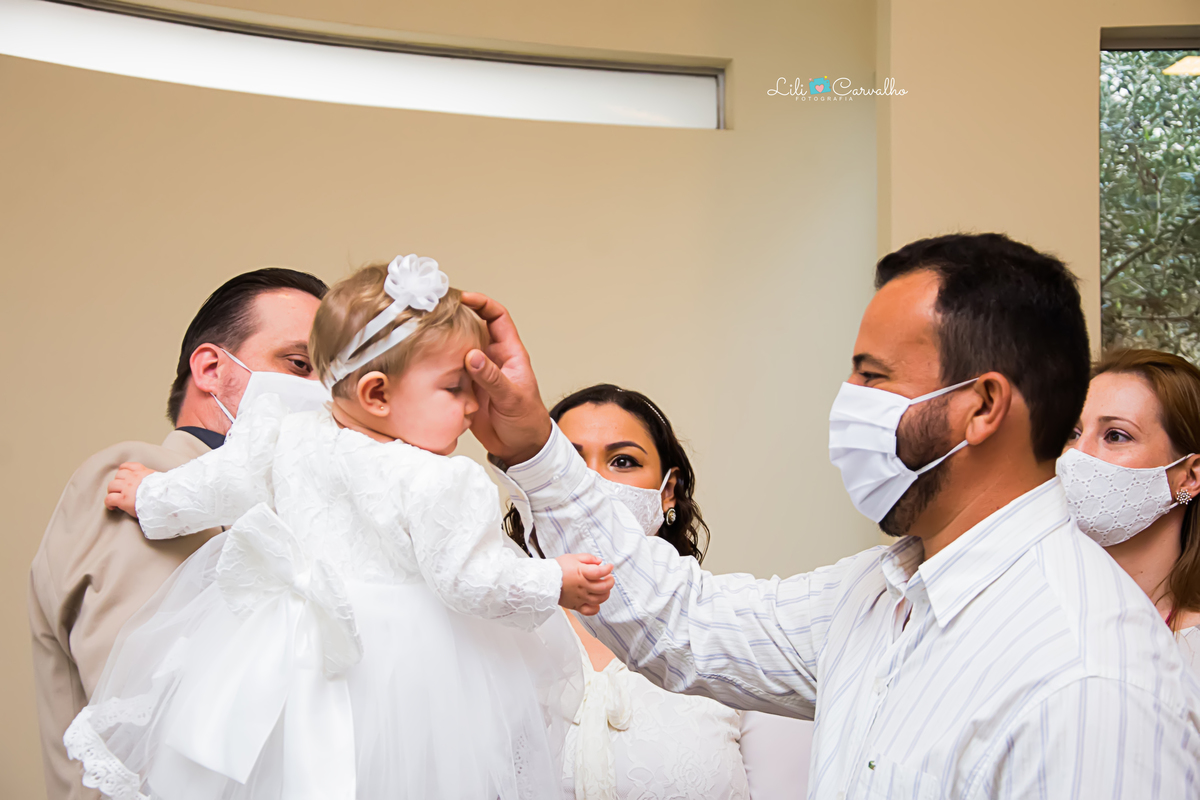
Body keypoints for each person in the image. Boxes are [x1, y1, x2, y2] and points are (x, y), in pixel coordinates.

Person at [462, 233, 1200, 798]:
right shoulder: (881, 595)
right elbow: (685, 622)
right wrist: (533, 449)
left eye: (873, 378)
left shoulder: (1087, 676)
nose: (848, 402)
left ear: (981, 407)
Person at [65, 255, 612, 800]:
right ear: (377, 393)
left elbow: (219, 484)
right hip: (399, 668)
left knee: (282, 771)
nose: (475, 405)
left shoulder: (282, 430)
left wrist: (150, 496)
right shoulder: (443, 480)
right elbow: (470, 581)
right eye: (455, 388)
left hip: (285, 652)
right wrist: (554, 580)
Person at [29, 267, 328, 800]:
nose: (322, 395)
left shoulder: (299, 518)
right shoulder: (148, 481)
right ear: (211, 369)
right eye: (299, 365)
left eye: (336, 379)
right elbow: (160, 727)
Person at [499, 383, 812, 800]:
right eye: (569, 462)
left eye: (622, 461)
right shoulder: (492, 637)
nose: (590, 480)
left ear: (667, 492)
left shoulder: (733, 635)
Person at [1059, 348, 1200, 668]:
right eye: (1073, 434)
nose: (1077, 455)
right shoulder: (1033, 614)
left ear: (1190, 477)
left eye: (1116, 436)